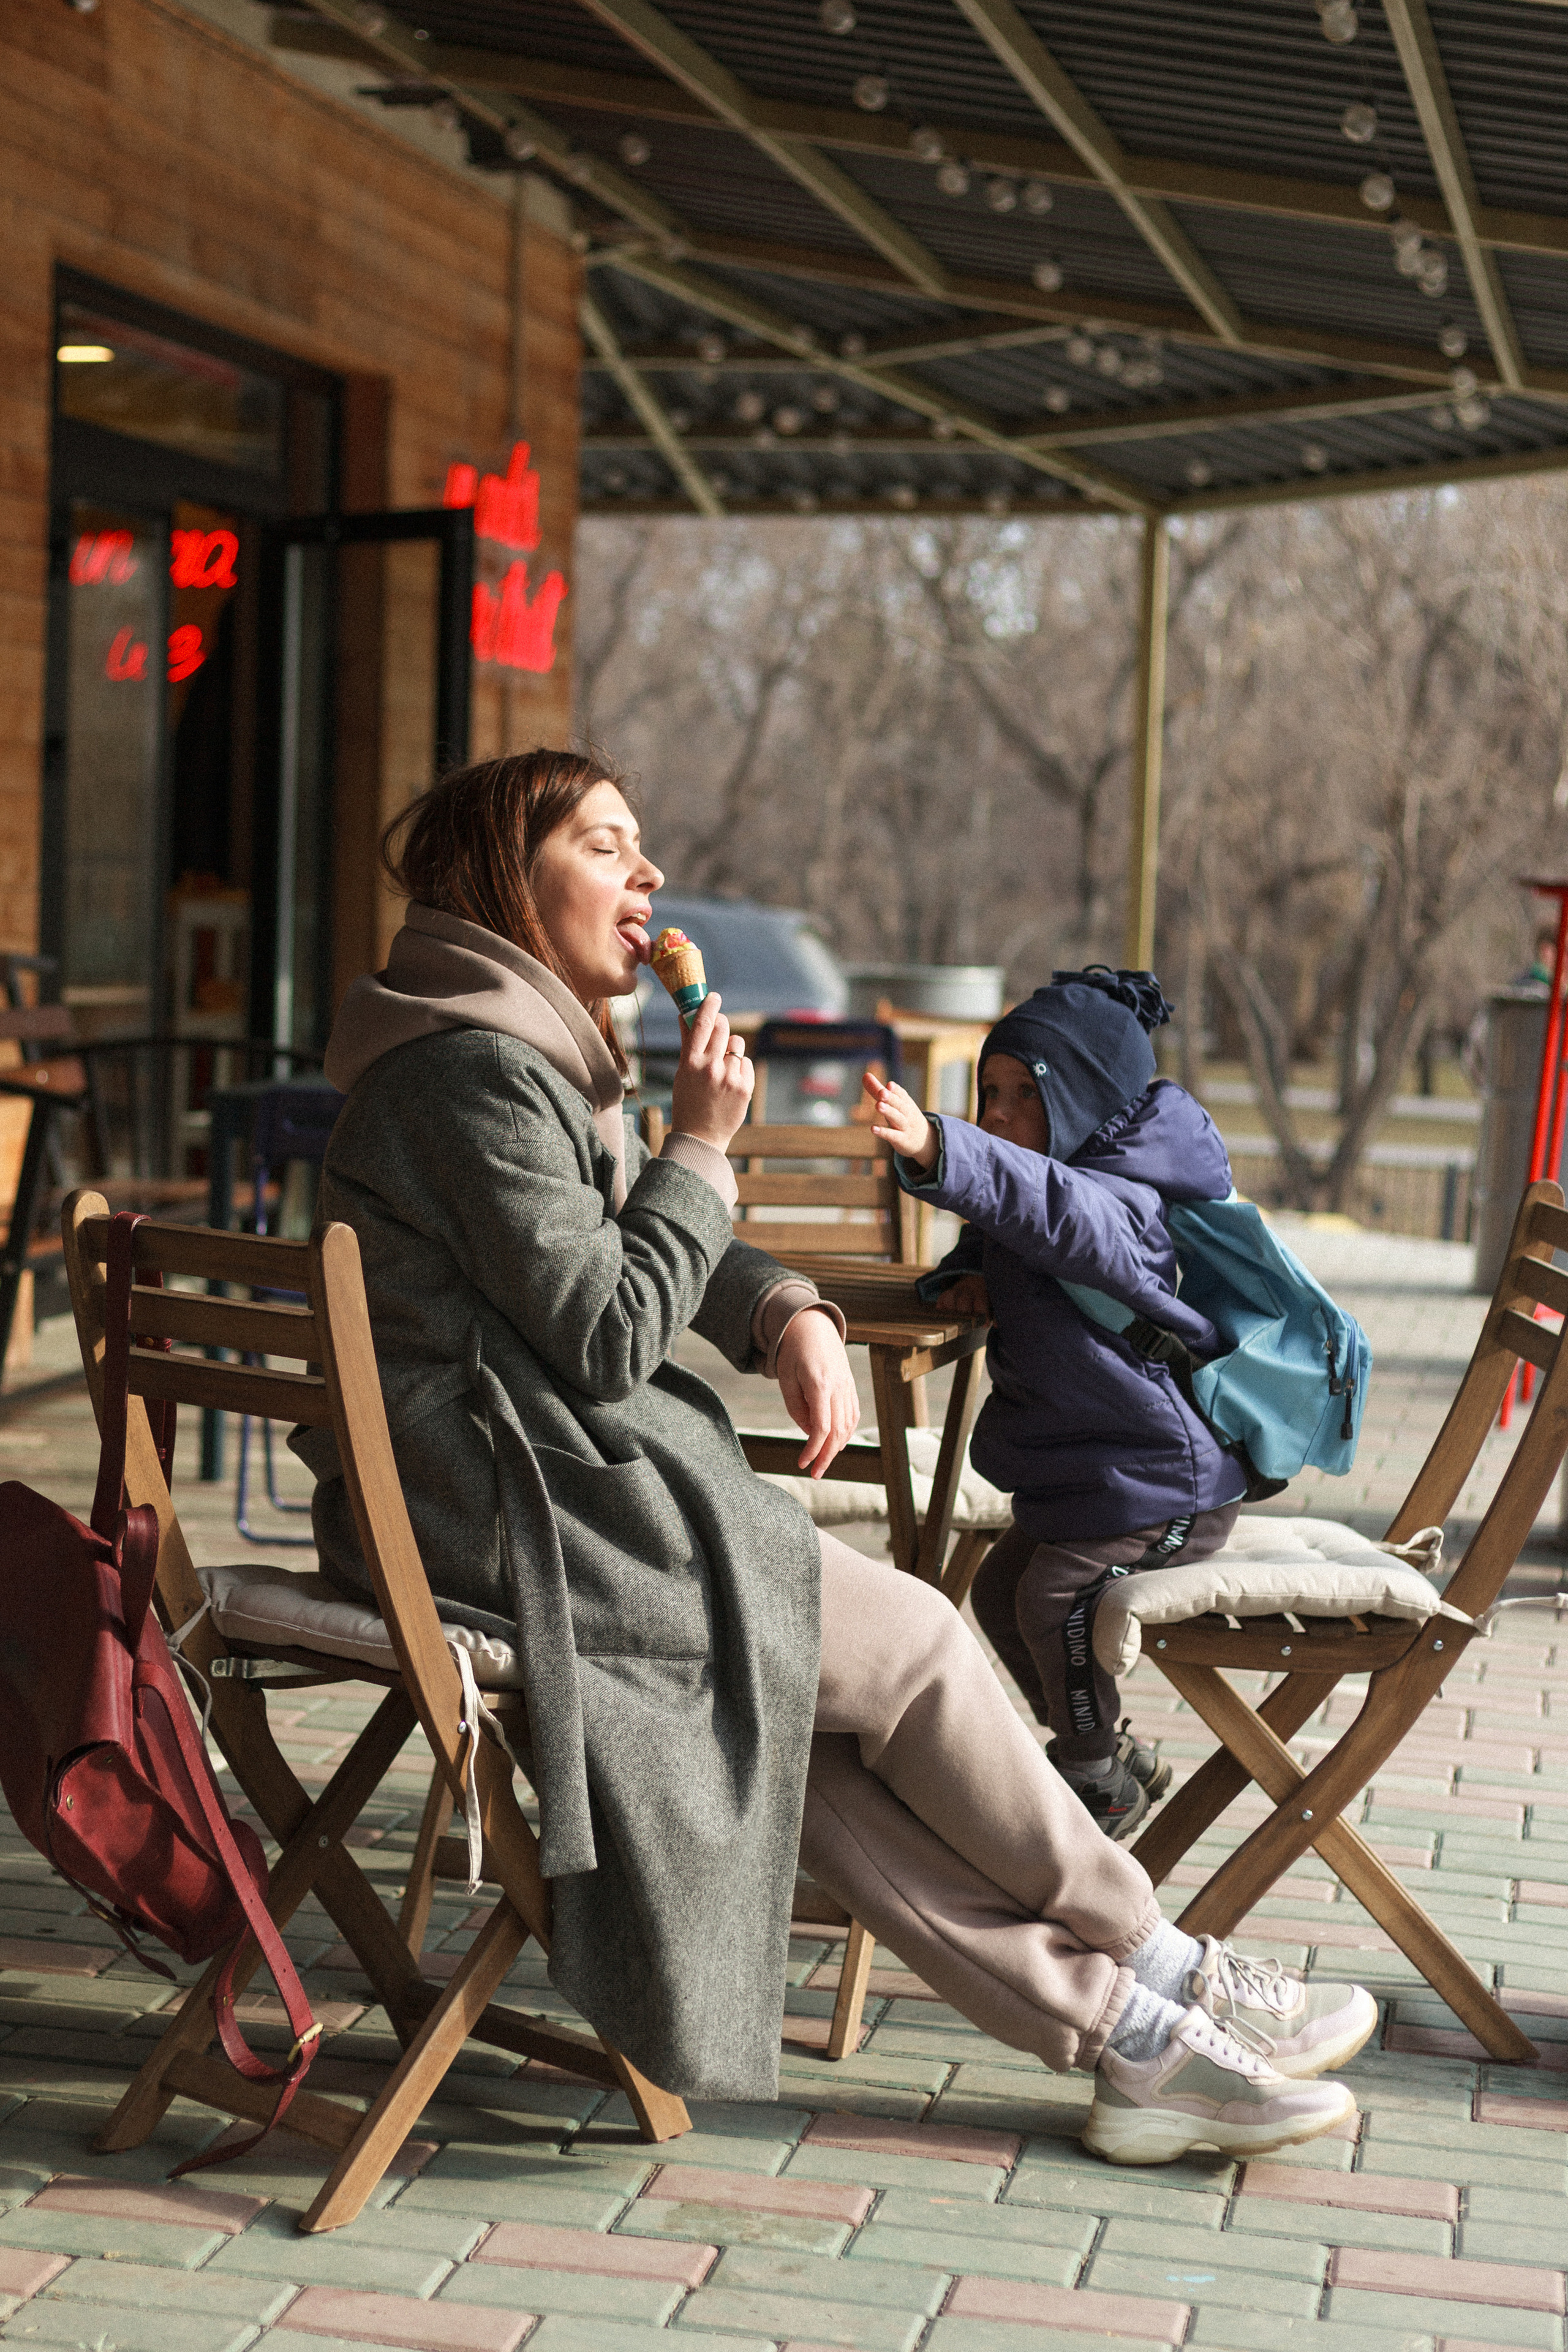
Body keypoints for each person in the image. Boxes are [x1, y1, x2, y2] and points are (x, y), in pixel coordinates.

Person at [296, 755, 1374, 2166]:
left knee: (806, 1750)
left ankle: (1127, 2033)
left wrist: (779, 1303)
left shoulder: (502, 1051)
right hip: (521, 1516)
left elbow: (611, 1242)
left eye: (641, 845)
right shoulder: (469, 1078)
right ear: (510, 876)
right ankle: (1154, 1958)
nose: (648, 877)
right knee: (919, 1643)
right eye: (607, 845)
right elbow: (612, 1332)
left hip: (522, 1498)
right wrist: (699, 1144)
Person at [866, 968, 1256, 1841]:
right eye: (987, 1094)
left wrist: (946, 1149)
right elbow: (1004, 1225)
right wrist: (968, 1274)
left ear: (1083, 1102)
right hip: (1096, 1478)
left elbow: (1050, 1213)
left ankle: (1093, 1780)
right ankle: (1109, 1750)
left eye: (1023, 1095)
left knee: (1051, 1601)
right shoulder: (1051, 1184)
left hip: (1165, 1487)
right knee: (1001, 1589)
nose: (997, 1114)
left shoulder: (1116, 1201)